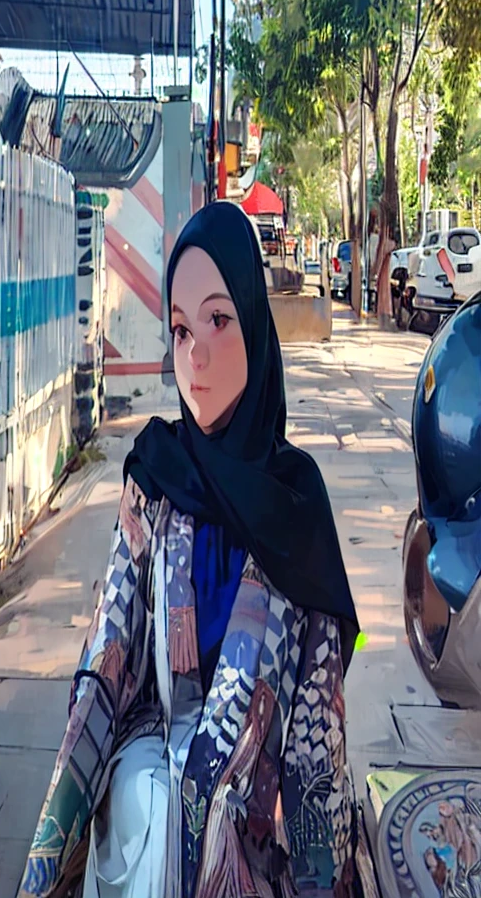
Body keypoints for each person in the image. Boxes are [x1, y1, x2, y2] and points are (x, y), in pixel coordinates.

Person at [18, 201, 361, 898]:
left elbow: (317, 728)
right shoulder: (157, 474)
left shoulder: (297, 500)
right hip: (153, 839)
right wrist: (48, 854)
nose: (194, 356)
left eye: (218, 320)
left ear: (255, 329)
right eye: (179, 329)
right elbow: (107, 660)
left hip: (262, 845)